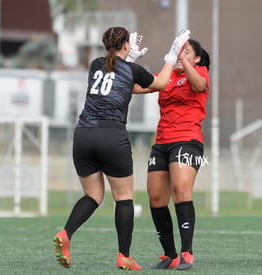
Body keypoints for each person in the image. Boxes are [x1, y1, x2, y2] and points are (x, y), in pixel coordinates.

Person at [53, 26, 190, 270]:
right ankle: (123, 255)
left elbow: (126, 84)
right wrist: (171, 55)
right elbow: (158, 83)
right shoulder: (131, 69)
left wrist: (129, 58)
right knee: (124, 197)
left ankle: (66, 233)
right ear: (126, 44)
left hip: (83, 134)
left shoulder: (96, 64)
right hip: (111, 135)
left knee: (93, 196)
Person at [134, 39, 210, 270]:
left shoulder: (199, 71)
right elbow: (137, 88)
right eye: (178, 50)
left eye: (186, 51)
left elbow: (199, 86)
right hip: (162, 142)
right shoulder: (167, 75)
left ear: (196, 58)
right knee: (156, 198)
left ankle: (187, 252)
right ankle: (170, 255)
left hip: (188, 140)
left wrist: (185, 63)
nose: (179, 54)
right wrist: (129, 65)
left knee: (180, 190)